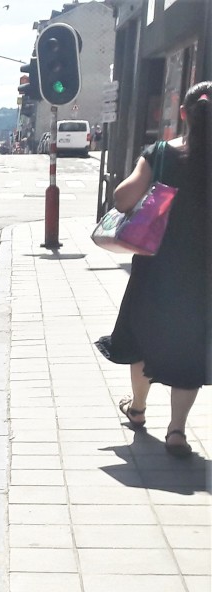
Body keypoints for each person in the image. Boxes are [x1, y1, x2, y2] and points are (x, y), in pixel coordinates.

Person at [97, 81, 210, 457]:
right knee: (189, 347)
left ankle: (139, 409)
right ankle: (176, 431)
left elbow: (123, 198)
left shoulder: (161, 153)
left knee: (142, 335)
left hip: (154, 264)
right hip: (201, 272)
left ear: (184, 114)